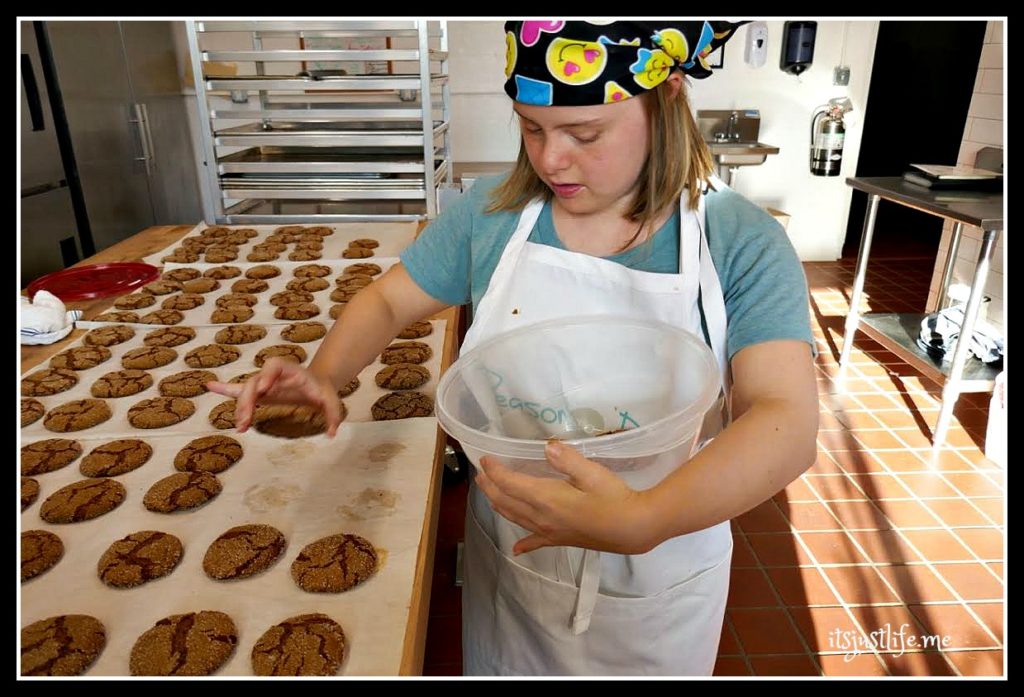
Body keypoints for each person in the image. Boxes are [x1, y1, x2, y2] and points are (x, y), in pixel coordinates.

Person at [208, 20, 818, 676]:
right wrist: (326, 372)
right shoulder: (493, 216)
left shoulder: (738, 242)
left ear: (667, 98)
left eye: (584, 134)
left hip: (656, 578)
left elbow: (785, 420)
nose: (550, 159)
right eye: (531, 128)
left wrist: (646, 517)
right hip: (514, 564)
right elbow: (387, 300)